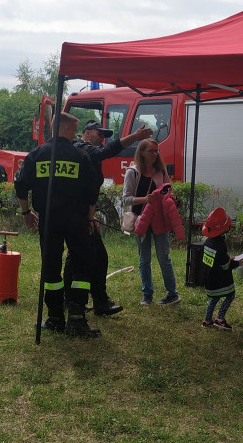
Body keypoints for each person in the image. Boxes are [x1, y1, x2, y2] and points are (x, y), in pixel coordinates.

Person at [15, 112, 102, 337]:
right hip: (76, 220)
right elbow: (92, 192)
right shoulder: (80, 156)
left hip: (49, 220)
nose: (76, 135)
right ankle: (76, 318)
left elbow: (21, 186)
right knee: (82, 266)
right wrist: (91, 217)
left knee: (51, 268)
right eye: (74, 130)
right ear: (64, 129)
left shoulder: (36, 155)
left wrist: (26, 212)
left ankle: (54, 317)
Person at [73, 120, 153, 317]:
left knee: (82, 258)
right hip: (76, 214)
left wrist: (91, 215)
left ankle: (83, 301)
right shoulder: (81, 148)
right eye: (99, 133)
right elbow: (104, 152)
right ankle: (90, 303)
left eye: (104, 135)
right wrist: (134, 137)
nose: (102, 138)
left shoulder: (91, 153)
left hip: (83, 213)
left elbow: (92, 188)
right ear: (87, 132)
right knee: (91, 258)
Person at [123, 139, 181, 306]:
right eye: (151, 151)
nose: (155, 154)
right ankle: (147, 295)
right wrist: (145, 199)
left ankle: (172, 293)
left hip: (159, 220)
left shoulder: (160, 170)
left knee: (164, 256)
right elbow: (126, 199)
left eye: (157, 151)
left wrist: (170, 196)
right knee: (144, 259)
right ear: (142, 152)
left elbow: (167, 190)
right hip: (141, 221)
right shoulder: (132, 173)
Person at [200, 207, 238, 330]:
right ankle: (220, 319)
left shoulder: (207, 242)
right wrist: (236, 262)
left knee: (214, 298)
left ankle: (207, 320)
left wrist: (227, 258)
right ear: (224, 229)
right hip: (219, 281)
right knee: (230, 296)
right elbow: (225, 266)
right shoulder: (220, 244)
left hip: (209, 280)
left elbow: (214, 259)